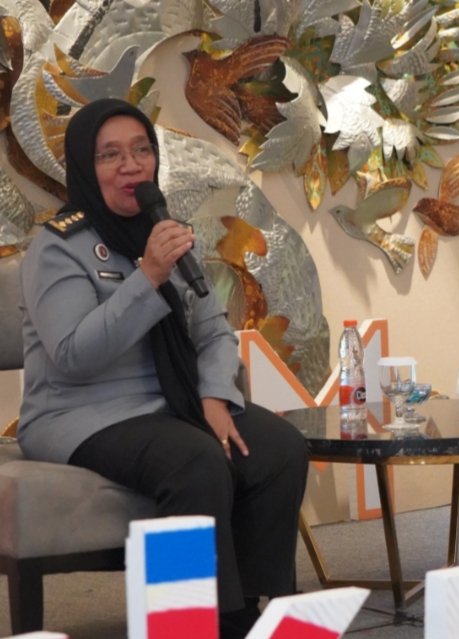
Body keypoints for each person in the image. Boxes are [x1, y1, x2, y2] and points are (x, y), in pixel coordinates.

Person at [17, 98, 309, 638]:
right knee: (195, 460)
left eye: (141, 150)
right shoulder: (58, 249)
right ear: (84, 166)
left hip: (170, 403)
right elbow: (74, 356)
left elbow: (214, 331)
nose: (130, 166)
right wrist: (147, 277)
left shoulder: (165, 230)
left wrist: (215, 397)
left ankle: (246, 611)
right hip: (79, 413)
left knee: (277, 447)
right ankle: (184, 622)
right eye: (110, 155)